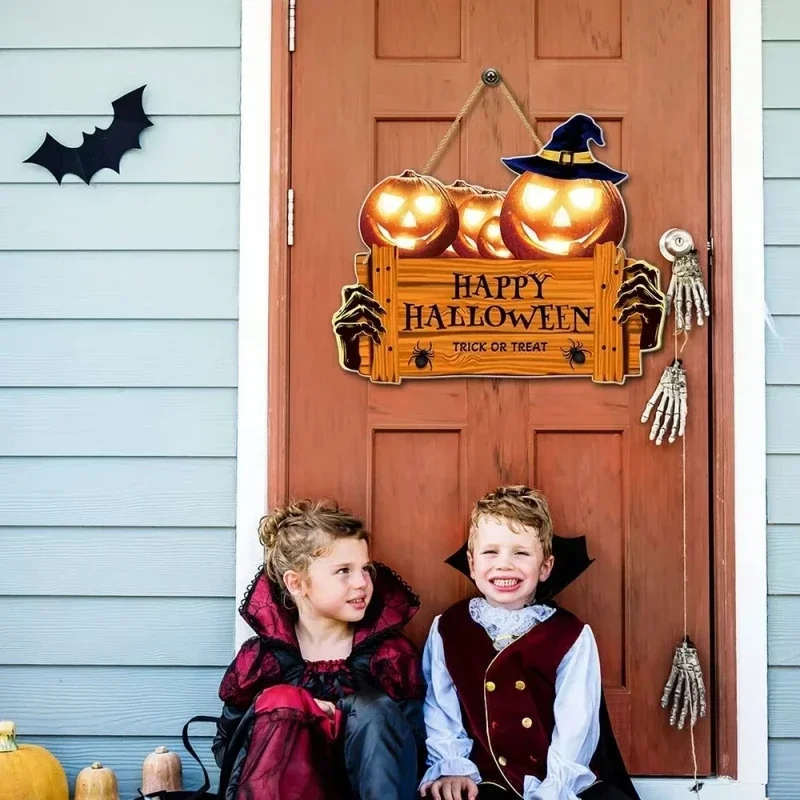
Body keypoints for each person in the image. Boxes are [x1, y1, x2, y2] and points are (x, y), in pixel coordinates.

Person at [419, 486, 639, 800]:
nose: (504, 565)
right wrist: (452, 766)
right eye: (490, 552)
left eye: (520, 553)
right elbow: (441, 708)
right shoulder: (448, 628)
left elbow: (576, 724)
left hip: (556, 781)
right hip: (486, 781)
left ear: (545, 567)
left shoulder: (570, 635)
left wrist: (553, 790)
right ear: (471, 563)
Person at [212, 498, 425, 800]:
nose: (361, 583)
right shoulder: (265, 660)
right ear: (296, 583)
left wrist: (343, 717)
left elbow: (413, 743)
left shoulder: (387, 656)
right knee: (281, 700)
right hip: (284, 790)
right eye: (343, 571)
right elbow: (228, 748)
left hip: (367, 789)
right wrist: (298, 713)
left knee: (371, 709)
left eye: (366, 569)